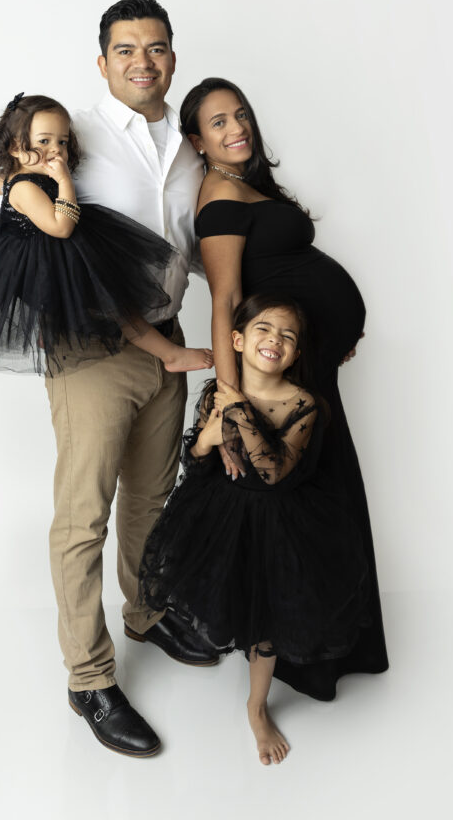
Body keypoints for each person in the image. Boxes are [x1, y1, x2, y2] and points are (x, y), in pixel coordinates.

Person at [46, 0, 219, 759]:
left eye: (155, 49)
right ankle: (88, 679)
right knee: (85, 514)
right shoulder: (73, 137)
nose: (141, 62)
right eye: (125, 50)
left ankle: (148, 614)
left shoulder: (188, 149)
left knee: (152, 497)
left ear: (172, 59)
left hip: (169, 343)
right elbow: (17, 201)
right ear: (102, 62)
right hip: (90, 348)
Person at [179, 77, 388, 702]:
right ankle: (302, 658)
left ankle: (333, 643)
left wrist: (327, 333)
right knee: (301, 509)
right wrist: (229, 394)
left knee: (327, 500)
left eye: (239, 114)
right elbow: (225, 302)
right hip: (273, 383)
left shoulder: (249, 186)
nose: (235, 127)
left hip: (306, 368)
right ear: (197, 140)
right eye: (217, 122)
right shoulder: (218, 197)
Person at [140, 295, 372, 764]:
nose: (276, 341)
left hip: (280, 522)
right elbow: (196, 461)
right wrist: (207, 437)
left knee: (267, 618)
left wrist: (239, 409)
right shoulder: (215, 393)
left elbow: (272, 471)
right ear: (238, 340)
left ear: (297, 355)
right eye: (265, 330)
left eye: (288, 337)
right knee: (233, 596)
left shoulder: (303, 403)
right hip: (224, 516)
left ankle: (256, 705)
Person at [0, 92, 212, 375]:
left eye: (62, 142)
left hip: (56, 250)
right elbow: (62, 226)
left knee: (118, 297)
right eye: (44, 141)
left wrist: (7, 180)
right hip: (46, 256)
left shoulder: (20, 180)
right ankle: (169, 354)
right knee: (118, 307)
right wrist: (63, 179)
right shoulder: (26, 188)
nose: (56, 150)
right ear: (15, 148)